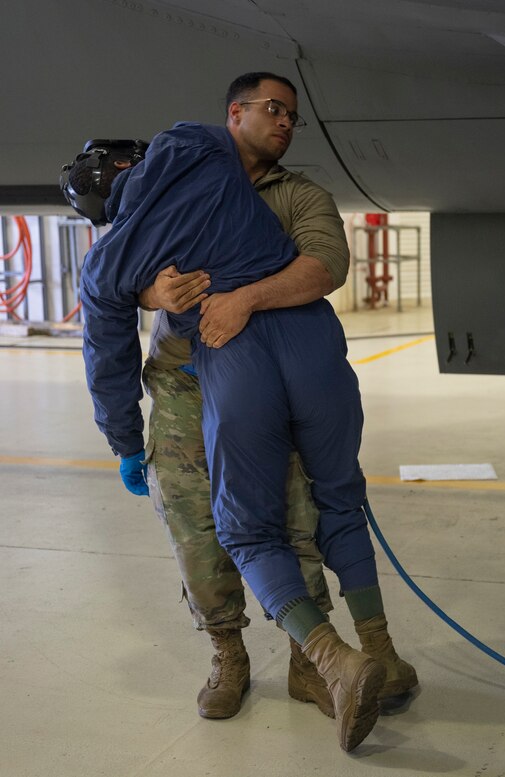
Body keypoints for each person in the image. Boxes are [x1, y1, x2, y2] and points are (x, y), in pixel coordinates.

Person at [67, 73, 416, 751]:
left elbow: (322, 267)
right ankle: (230, 653)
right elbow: (119, 299)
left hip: (252, 376)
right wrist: (149, 290)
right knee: (200, 533)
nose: (285, 123)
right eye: (272, 110)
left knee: (296, 521)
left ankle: (317, 661)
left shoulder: (296, 194)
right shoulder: (183, 173)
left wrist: (242, 297)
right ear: (235, 114)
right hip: (183, 387)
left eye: (291, 114)